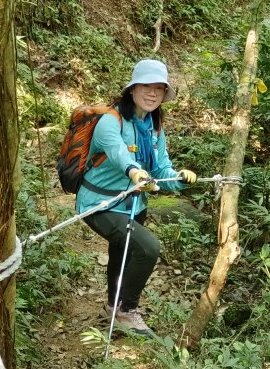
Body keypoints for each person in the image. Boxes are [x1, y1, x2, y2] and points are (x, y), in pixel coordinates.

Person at [77, 59, 197, 336]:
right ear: (132, 89)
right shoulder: (111, 121)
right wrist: (134, 172)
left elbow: (160, 167)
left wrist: (178, 177)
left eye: (159, 88)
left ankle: (112, 306)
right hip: (100, 204)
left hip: (134, 203)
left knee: (121, 254)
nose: (153, 93)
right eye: (146, 86)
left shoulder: (154, 127)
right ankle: (127, 310)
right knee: (147, 248)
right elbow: (119, 155)